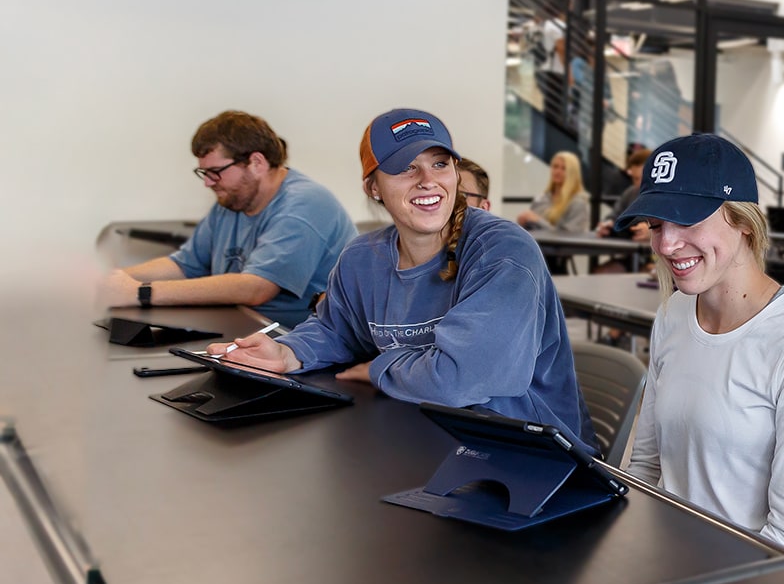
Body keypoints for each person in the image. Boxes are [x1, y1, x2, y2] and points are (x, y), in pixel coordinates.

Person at [211, 109, 590, 444]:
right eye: (406, 167)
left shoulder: (503, 250)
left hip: (527, 453)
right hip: (428, 436)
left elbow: (462, 378)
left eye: (440, 164)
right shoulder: (363, 258)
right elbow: (336, 330)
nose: (427, 179)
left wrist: (380, 368)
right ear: (373, 187)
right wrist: (286, 352)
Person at [622, 134, 784, 551]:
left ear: (743, 221)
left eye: (686, 219)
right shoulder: (672, 315)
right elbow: (645, 467)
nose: (666, 243)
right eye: (655, 225)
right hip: (659, 560)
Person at [101, 111, 354, 327]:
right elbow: (184, 265)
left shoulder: (304, 205)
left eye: (216, 172)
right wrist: (112, 280)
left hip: (294, 345)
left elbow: (256, 288)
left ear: (256, 162)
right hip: (241, 330)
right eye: (204, 172)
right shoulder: (232, 200)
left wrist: (141, 292)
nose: (208, 183)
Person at [517, 151, 591, 235]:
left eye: (564, 168)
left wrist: (537, 220)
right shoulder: (542, 198)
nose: (558, 171)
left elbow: (570, 236)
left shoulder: (578, 203)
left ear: (572, 173)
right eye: (555, 167)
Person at [596, 145, 650, 237]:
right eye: (635, 178)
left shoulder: (668, 197)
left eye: (641, 178)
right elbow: (614, 215)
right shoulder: (631, 192)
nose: (638, 184)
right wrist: (607, 225)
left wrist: (652, 232)